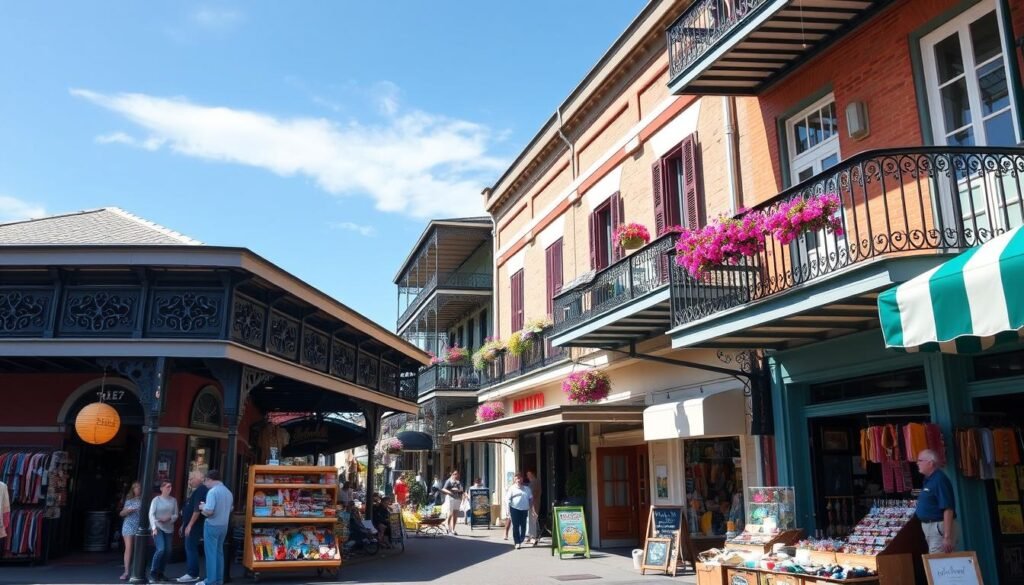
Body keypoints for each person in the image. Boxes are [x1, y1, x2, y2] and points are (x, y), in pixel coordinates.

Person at [915, 449, 957, 553]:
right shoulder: (929, 479)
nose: (917, 463)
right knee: (937, 561)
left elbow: (948, 508)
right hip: (930, 527)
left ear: (930, 463)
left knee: (938, 561)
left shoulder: (939, 480)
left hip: (938, 527)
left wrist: (947, 536)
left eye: (920, 460)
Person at [197, 470, 232, 585]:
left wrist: (202, 507)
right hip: (224, 526)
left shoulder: (212, 492)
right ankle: (218, 579)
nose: (205, 484)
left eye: (205, 481)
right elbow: (230, 509)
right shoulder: (228, 492)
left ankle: (210, 580)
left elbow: (209, 511)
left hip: (212, 525)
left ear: (210, 479)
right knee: (219, 553)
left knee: (211, 554)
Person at [177, 471, 208, 583]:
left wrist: (189, 525)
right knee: (190, 547)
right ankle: (192, 572)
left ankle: (192, 573)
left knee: (190, 548)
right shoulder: (197, 490)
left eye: (191, 479)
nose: (189, 481)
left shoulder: (201, 490)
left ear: (199, 478)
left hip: (195, 525)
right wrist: (184, 524)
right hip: (191, 524)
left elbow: (197, 510)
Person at [149, 481, 179, 582]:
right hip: (158, 527)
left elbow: (176, 514)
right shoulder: (156, 500)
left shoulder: (173, 500)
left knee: (168, 551)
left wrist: (169, 518)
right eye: (167, 487)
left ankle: (161, 572)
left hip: (168, 527)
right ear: (161, 488)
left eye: (170, 487)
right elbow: (151, 514)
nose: (169, 488)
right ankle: (153, 573)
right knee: (161, 549)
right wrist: (153, 527)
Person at [118, 482, 142, 581]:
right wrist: (128, 511)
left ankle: (136, 571)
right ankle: (127, 571)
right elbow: (121, 513)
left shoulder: (144, 500)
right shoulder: (129, 500)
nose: (138, 490)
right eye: (136, 488)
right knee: (128, 548)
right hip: (128, 524)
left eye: (139, 488)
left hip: (139, 526)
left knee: (138, 549)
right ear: (133, 489)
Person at [506, 473, 532, 550]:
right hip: (514, 509)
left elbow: (530, 498)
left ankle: (522, 538)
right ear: (514, 480)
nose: (518, 480)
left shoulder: (527, 489)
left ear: (522, 479)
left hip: (524, 509)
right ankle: (517, 542)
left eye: (520, 478)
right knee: (516, 526)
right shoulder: (512, 489)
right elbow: (507, 500)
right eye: (517, 478)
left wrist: (531, 508)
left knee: (523, 526)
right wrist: (508, 511)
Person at [441, 470, 464, 536]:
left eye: (457, 474)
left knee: (455, 514)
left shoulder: (459, 482)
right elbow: (443, 489)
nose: (456, 475)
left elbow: (462, 489)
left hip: (458, 498)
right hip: (450, 498)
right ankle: (448, 527)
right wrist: (450, 492)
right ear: (452, 474)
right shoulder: (449, 481)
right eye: (455, 474)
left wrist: (460, 490)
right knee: (450, 513)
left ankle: (453, 529)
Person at [525, 470, 541, 545]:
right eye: (527, 475)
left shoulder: (534, 482)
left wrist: (530, 502)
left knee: (533, 519)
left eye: (529, 474)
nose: (527, 476)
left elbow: (534, 493)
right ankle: (531, 536)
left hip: (533, 504)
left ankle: (533, 537)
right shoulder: (532, 482)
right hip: (532, 503)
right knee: (532, 520)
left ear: (532, 474)